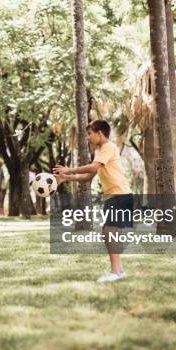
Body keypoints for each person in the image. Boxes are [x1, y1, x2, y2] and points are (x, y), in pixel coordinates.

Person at [53, 120, 133, 284]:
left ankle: (117, 272)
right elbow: (88, 177)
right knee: (110, 233)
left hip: (119, 194)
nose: (88, 138)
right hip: (115, 196)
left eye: (90, 134)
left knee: (109, 232)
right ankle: (118, 270)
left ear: (100, 133)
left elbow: (91, 168)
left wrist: (68, 169)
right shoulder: (100, 151)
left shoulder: (108, 147)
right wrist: (65, 178)